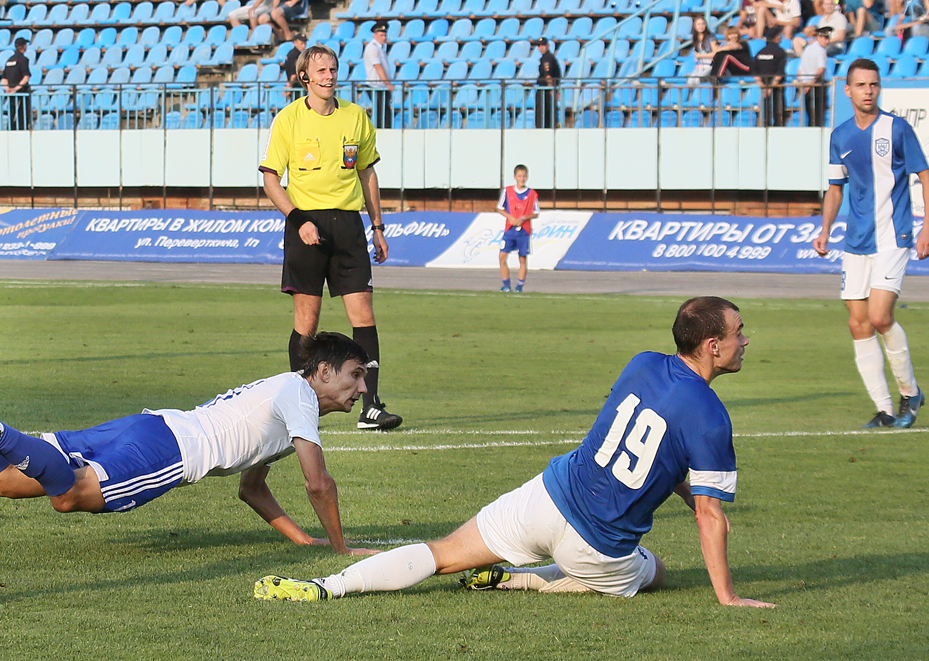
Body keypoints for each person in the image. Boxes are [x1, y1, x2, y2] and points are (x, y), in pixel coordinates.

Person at [254, 297, 776, 610]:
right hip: (598, 547)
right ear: (711, 346)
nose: (745, 341)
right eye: (738, 333)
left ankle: (326, 587)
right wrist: (727, 596)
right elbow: (711, 518)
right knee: (652, 570)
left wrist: (681, 486)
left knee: (440, 554)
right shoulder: (710, 416)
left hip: (547, 496)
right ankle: (524, 579)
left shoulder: (642, 363)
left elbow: (638, 435)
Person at [0, 332, 379, 556]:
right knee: (69, 497)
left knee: (8, 483)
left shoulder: (289, 395)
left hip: (152, 426)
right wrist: (340, 549)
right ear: (324, 371)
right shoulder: (301, 397)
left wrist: (304, 540)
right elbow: (318, 483)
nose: (362, 387)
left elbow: (251, 489)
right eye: (355, 374)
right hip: (169, 451)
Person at [259, 44, 403, 432]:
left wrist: (377, 225)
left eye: (333, 69)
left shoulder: (356, 116)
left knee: (365, 316)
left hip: (349, 226)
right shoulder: (288, 119)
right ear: (305, 76)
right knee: (307, 321)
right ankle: (299, 406)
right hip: (306, 226)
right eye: (321, 70)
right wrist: (296, 219)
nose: (328, 76)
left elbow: (367, 174)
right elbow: (270, 177)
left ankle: (370, 405)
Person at [813, 59, 929, 429]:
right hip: (855, 240)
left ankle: (910, 393)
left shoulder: (897, 129)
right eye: (861, 85)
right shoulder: (841, 136)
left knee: (880, 317)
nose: (868, 91)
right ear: (848, 90)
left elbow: (925, 176)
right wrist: (825, 230)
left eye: (873, 85)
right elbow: (835, 189)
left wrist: (927, 226)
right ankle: (884, 410)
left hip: (894, 236)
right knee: (858, 324)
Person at [497, 164, 539, 293]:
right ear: (515, 177)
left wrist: (524, 218)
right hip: (509, 229)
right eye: (519, 176)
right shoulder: (508, 191)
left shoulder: (532, 194)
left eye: (524, 176)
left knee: (522, 259)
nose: (522, 178)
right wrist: (510, 217)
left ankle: (519, 286)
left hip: (524, 230)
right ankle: (506, 285)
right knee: (502, 257)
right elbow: (499, 208)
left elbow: (536, 212)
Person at [752, 26, 786, 127]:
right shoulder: (780, 52)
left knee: (765, 111)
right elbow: (780, 72)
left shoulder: (760, 52)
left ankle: (765, 126)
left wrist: (762, 85)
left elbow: (754, 71)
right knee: (778, 110)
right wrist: (771, 86)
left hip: (764, 87)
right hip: (776, 87)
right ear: (776, 37)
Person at [797, 26, 830, 127]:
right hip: (816, 85)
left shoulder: (808, 48)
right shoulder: (821, 50)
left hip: (806, 85)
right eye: (825, 38)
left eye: (828, 38)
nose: (827, 41)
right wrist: (812, 82)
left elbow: (799, 69)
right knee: (818, 115)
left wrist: (802, 83)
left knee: (809, 114)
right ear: (818, 37)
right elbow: (821, 68)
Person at [363, 21, 394, 129]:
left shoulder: (380, 47)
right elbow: (378, 67)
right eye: (381, 35)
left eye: (385, 35)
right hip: (376, 86)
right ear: (374, 35)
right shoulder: (373, 48)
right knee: (381, 113)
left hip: (381, 86)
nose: (384, 37)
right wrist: (388, 84)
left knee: (385, 112)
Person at [1, 37, 31, 131]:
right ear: (24, 46)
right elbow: (26, 77)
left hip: (10, 93)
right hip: (21, 92)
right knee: (22, 115)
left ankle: (11, 129)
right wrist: (16, 89)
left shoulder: (9, 60)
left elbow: (4, 77)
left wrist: (8, 89)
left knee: (11, 113)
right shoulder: (23, 59)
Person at [533, 38, 560, 128]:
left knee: (544, 113)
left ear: (547, 46)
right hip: (547, 89)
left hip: (546, 90)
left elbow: (548, 76)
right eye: (539, 46)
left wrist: (551, 89)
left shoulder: (547, 59)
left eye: (543, 45)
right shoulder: (548, 57)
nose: (541, 48)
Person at [687, 15, 716, 83]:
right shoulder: (695, 38)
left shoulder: (710, 37)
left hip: (709, 65)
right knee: (690, 82)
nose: (701, 26)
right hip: (699, 66)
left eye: (703, 24)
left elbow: (715, 53)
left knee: (698, 81)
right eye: (699, 24)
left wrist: (701, 56)